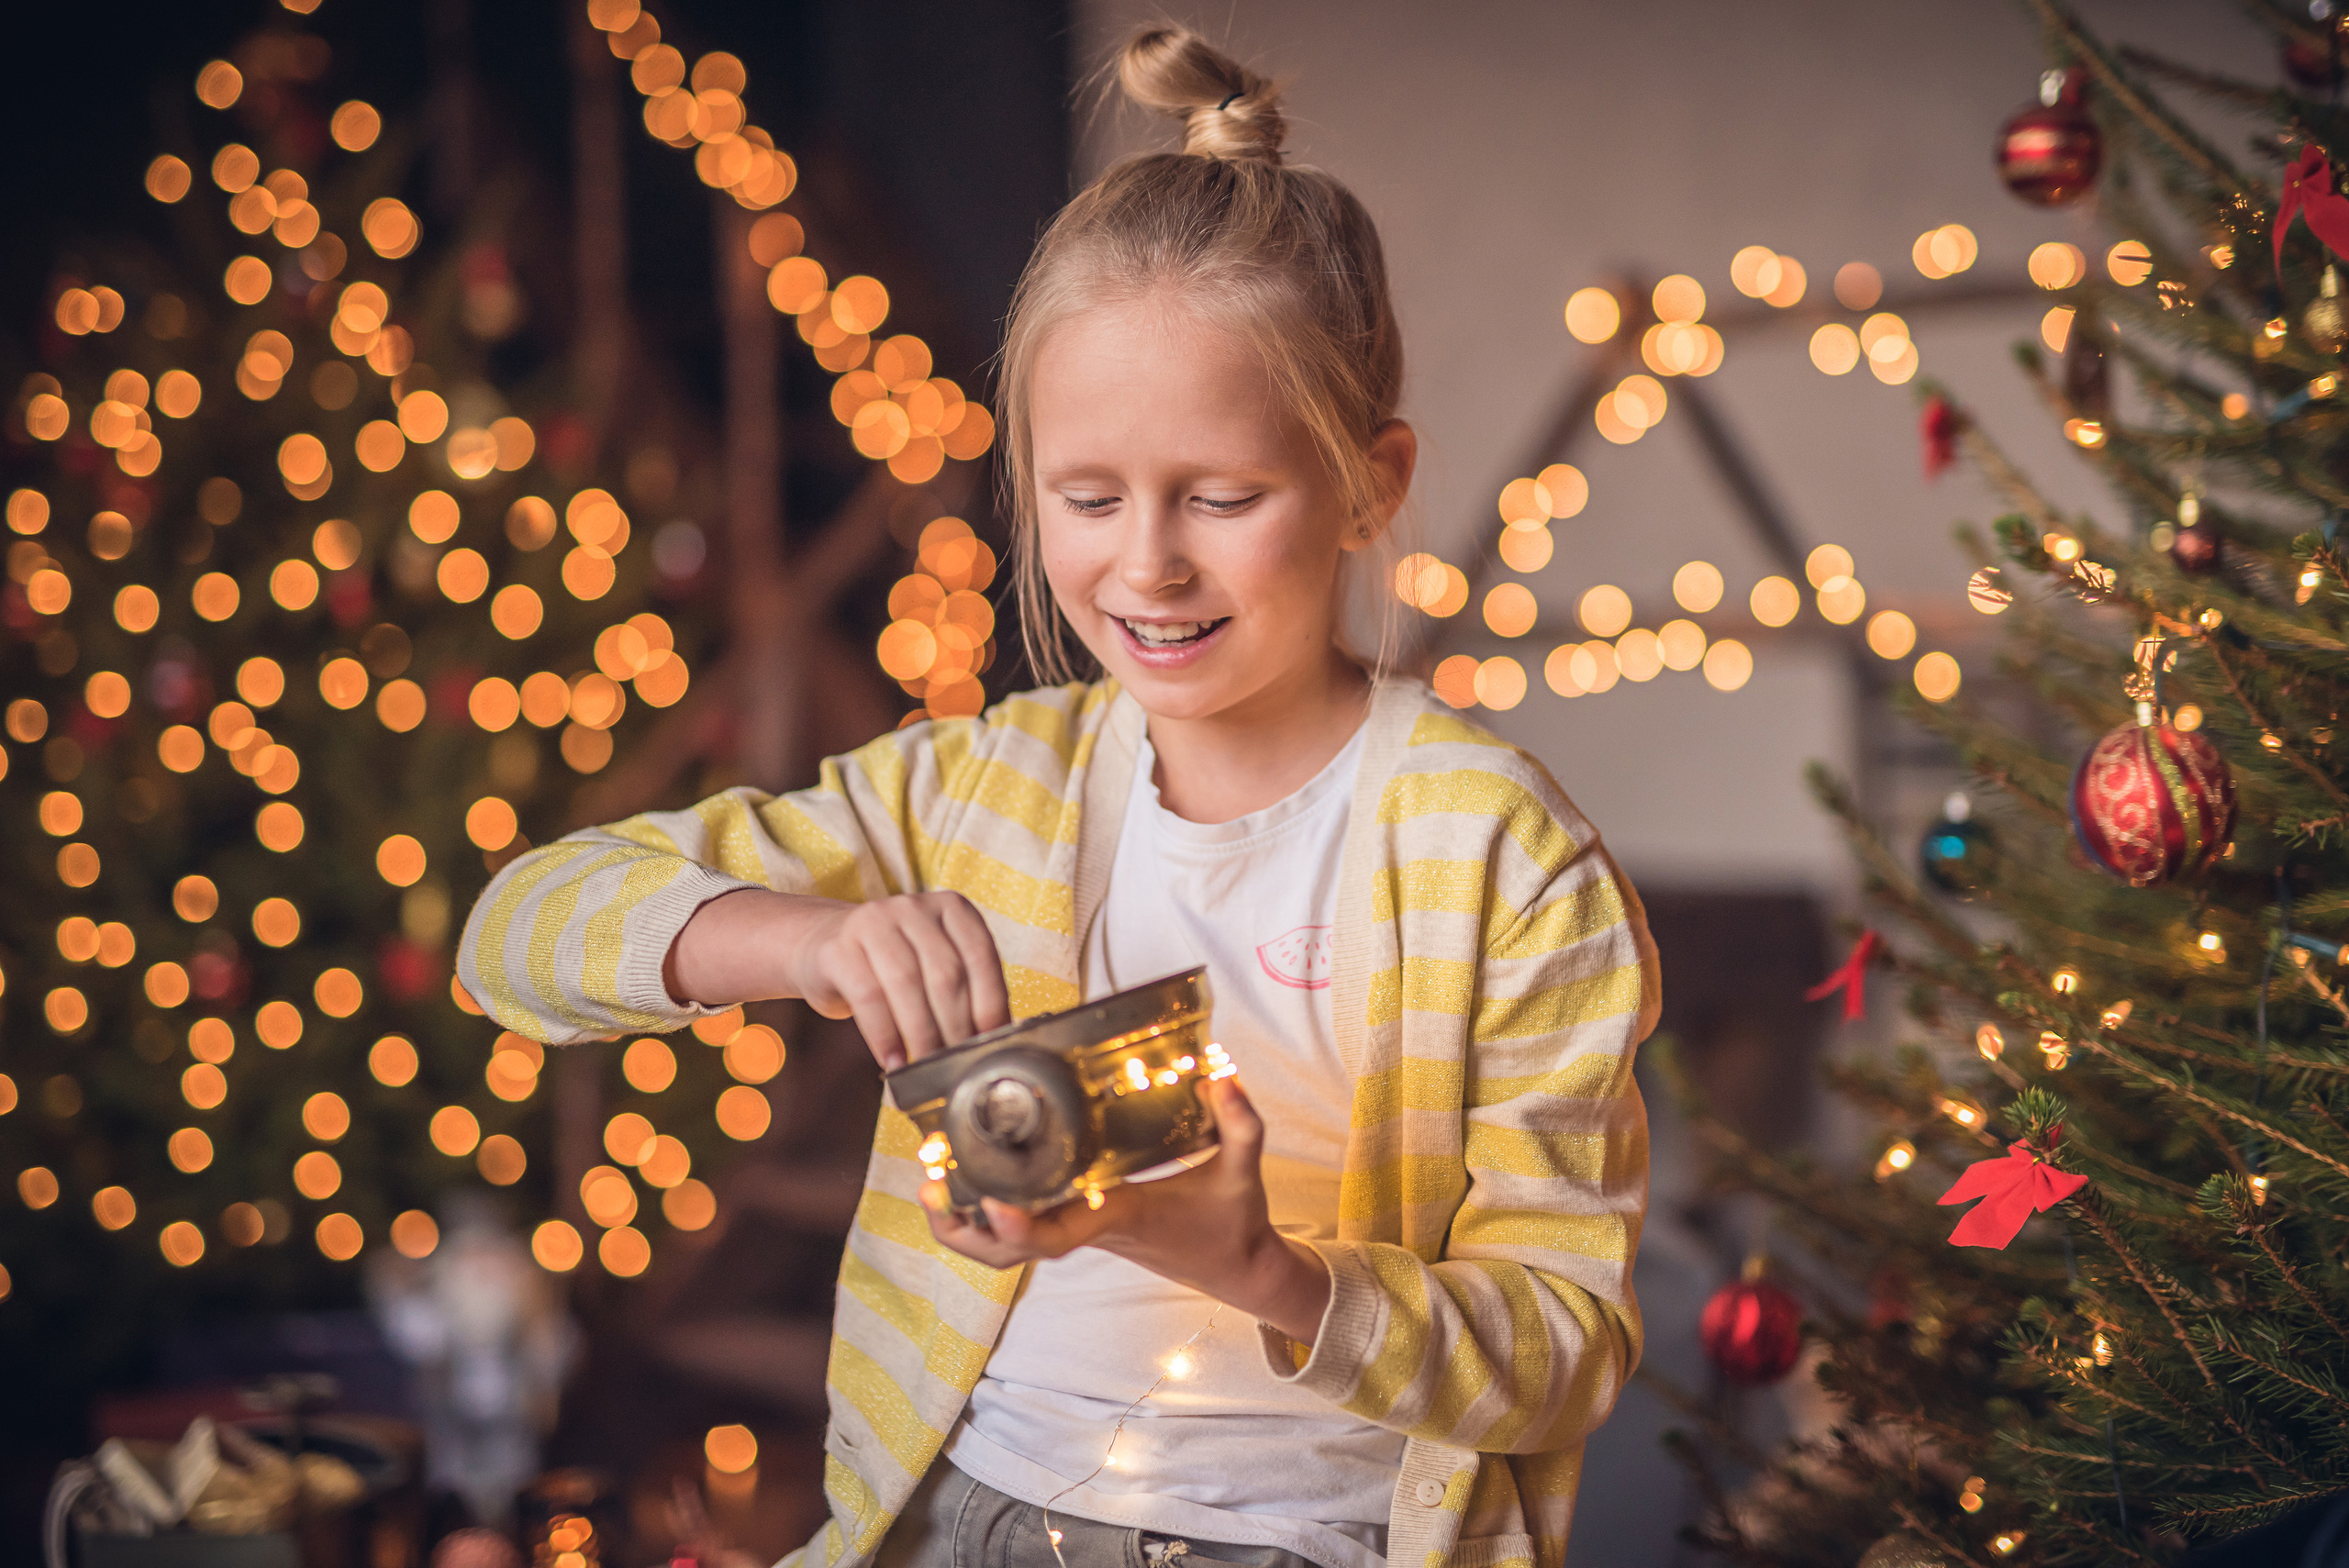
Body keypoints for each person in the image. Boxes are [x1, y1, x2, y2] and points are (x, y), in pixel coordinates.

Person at [460, 26, 1658, 1568]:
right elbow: (519, 933)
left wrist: (1273, 1272)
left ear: (1370, 482)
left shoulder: (1503, 859)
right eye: (1087, 498)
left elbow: (1563, 1346)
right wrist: (800, 943)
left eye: (1221, 498)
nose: (1146, 563)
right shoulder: (986, 786)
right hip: (953, 1517)